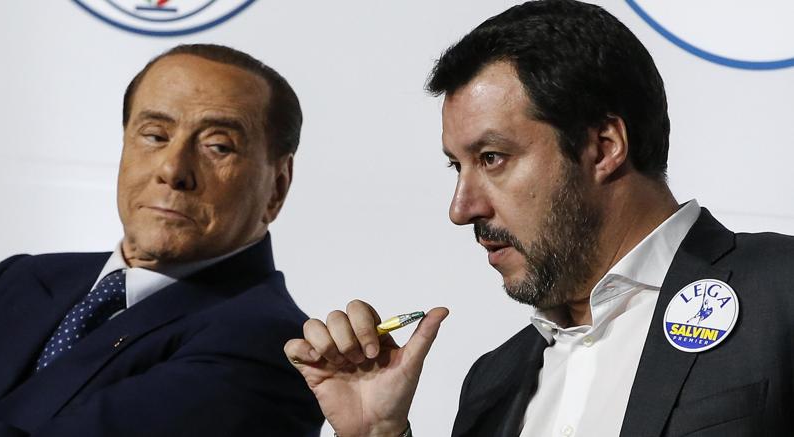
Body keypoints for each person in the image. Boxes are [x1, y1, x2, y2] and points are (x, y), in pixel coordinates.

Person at [284, 1, 794, 436]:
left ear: (604, 146)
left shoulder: (780, 290)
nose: (461, 209)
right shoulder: (493, 384)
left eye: (492, 158)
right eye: (457, 166)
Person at [0, 44, 323, 436]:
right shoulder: (21, 278)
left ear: (277, 187)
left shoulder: (275, 346)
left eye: (218, 146)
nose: (173, 169)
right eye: (154, 135)